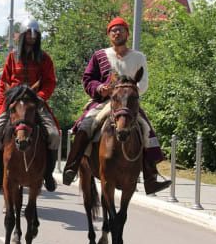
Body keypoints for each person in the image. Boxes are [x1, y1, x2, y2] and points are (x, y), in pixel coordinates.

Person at [63, 17, 171, 195]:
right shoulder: (99, 56)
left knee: (147, 131)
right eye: (113, 30)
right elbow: (88, 79)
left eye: (121, 29)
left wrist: (131, 91)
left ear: (127, 33)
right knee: (86, 126)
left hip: (129, 104)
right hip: (105, 102)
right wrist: (100, 89)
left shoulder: (138, 57)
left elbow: (143, 82)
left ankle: (151, 178)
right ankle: (72, 166)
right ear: (109, 35)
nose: (117, 33)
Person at [0, 17, 60, 193]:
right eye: (29, 34)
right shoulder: (12, 58)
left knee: (54, 135)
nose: (32, 37)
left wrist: (40, 97)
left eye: (35, 35)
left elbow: (49, 82)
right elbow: (4, 82)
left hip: (35, 103)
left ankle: (47, 175)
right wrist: (4, 105)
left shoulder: (44, 58)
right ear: (23, 36)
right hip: (13, 103)